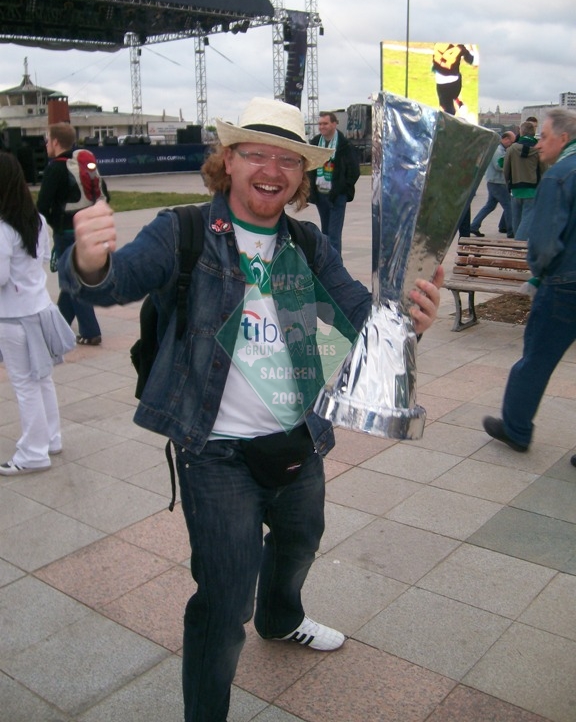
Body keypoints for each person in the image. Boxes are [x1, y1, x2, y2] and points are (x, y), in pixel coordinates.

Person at [58, 97, 443, 722]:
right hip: (215, 452)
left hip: (298, 440)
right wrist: (89, 260)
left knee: (299, 546)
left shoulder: (308, 244)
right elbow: (113, 281)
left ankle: (281, 618)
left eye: (288, 159)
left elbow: (359, 320)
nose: (272, 170)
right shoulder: (183, 232)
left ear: (302, 174)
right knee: (224, 597)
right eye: (256, 154)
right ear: (229, 161)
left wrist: (407, 323)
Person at [483, 108, 576, 452]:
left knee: (536, 359)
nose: (538, 145)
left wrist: (538, 274)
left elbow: (545, 241)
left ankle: (516, 428)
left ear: (563, 138)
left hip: (564, 285)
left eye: (544, 137)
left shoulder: (559, 176)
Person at [0, 153, 75, 475]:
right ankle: (50, 439)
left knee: (26, 385)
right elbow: (42, 259)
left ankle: (33, 453)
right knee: (41, 380)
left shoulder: (3, 228)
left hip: (14, 317)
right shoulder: (37, 220)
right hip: (40, 308)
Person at [37, 122, 107, 345]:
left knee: (73, 283)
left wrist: (55, 225)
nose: (46, 144)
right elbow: (104, 195)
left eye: (47, 140)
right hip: (88, 232)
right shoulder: (85, 165)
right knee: (72, 280)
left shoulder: (55, 168)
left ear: (56, 142)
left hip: (67, 233)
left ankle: (90, 331)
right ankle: (59, 326)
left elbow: (42, 205)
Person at [307, 110, 360, 256]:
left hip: (337, 195)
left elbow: (354, 170)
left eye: (325, 123)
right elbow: (309, 166)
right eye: (320, 124)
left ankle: (336, 265)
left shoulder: (344, 144)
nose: (322, 127)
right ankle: (326, 262)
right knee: (325, 233)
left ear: (334, 124)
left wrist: (343, 188)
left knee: (334, 234)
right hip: (320, 194)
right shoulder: (315, 143)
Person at [470, 131, 515, 237]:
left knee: (490, 206)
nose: (511, 144)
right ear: (506, 139)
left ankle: (474, 226)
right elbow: (498, 165)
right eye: (511, 142)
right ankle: (511, 230)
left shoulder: (500, 149)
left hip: (494, 182)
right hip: (497, 182)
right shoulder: (498, 150)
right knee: (509, 206)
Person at [503, 120, 541, 240]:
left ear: (521, 132)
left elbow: (506, 169)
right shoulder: (538, 149)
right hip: (532, 190)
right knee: (527, 219)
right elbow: (543, 169)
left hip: (515, 189)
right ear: (533, 132)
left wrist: (507, 183)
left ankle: (517, 242)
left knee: (517, 219)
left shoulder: (512, 149)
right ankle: (519, 244)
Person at [432, 43, 477, 116]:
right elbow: (473, 61)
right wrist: (472, 47)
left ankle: (453, 109)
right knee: (455, 95)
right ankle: (459, 104)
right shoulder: (461, 47)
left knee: (446, 109)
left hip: (441, 81)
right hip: (455, 80)